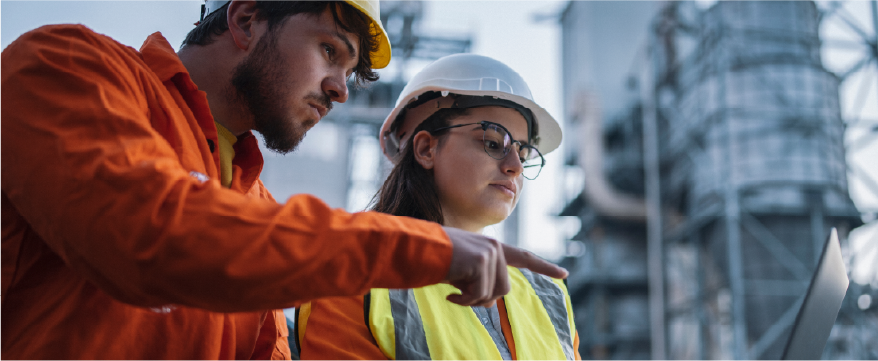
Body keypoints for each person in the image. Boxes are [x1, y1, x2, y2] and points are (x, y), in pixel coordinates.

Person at [0, 1, 566, 359]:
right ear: (246, 19)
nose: (341, 89)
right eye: (329, 51)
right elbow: (153, 238)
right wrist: (420, 245)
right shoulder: (65, 67)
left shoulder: (255, 204)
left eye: (350, 73)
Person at [294, 54, 580, 360]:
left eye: (523, 155)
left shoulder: (549, 295)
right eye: (494, 143)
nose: (514, 167)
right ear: (426, 148)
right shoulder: (349, 272)